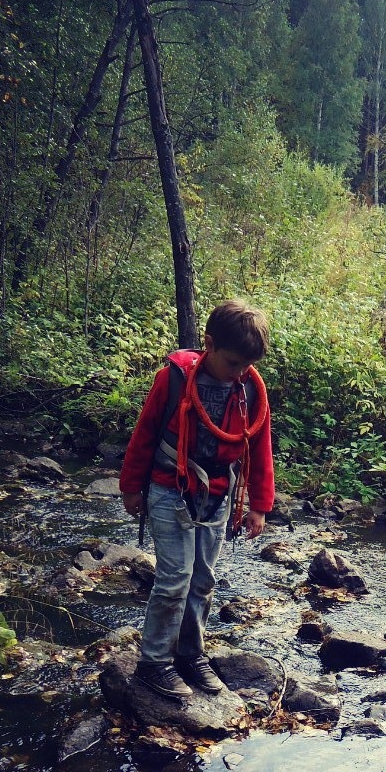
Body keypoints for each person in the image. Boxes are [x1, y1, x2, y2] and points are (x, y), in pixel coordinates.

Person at [119, 299, 274, 699]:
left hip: (219, 495)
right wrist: (131, 487)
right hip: (170, 487)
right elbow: (145, 435)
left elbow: (259, 447)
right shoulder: (171, 380)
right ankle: (154, 662)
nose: (239, 372)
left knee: (203, 580)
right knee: (174, 579)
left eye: (246, 365)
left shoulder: (251, 391)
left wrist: (259, 505)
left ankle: (190, 654)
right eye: (232, 363)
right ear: (209, 344)